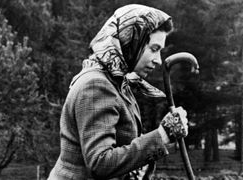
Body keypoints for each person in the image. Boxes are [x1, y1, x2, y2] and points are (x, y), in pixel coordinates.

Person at [48, 4, 189, 180]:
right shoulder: (96, 85)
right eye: (154, 49)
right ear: (131, 41)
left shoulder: (116, 81)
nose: (158, 60)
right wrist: (162, 135)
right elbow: (100, 163)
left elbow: (119, 145)